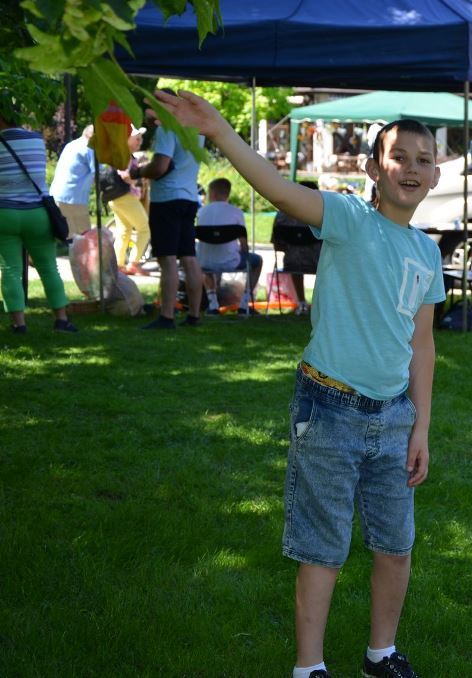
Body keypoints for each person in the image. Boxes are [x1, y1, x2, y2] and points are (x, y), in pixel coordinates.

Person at [154, 89, 442, 678]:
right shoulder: (349, 218)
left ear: (436, 175)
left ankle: (381, 655)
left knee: (396, 546)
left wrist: (421, 427)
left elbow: (423, 344)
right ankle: (309, 668)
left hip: (394, 417)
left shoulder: (427, 252)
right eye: (398, 156)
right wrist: (221, 132)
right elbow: (279, 190)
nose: (411, 168)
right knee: (323, 548)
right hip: (329, 409)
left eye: (423, 159)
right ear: (373, 169)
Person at [0, 115, 78, 333]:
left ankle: (18, 324)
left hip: (5, 213)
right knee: (48, 267)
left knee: (10, 270)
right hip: (37, 213)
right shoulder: (36, 140)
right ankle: (61, 320)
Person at [134, 114, 205, 329]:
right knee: (189, 257)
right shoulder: (196, 129)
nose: (147, 115)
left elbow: (160, 166)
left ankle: (166, 316)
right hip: (189, 197)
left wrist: (139, 171)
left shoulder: (167, 128)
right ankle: (194, 315)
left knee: (167, 259)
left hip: (167, 199)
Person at [195, 177, 263, 315]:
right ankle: (244, 303)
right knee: (257, 261)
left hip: (204, 262)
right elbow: (244, 246)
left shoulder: (201, 212)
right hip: (230, 261)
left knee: (208, 263)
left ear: (213, 193)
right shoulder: (237, 212)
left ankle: (213, 304)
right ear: (227, 193)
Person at [102, 125, 150, 276]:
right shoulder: (124, 155)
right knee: (144, 229)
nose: (140, 141)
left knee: (124, 231)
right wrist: (139, 177)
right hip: (125, 197)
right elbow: (126, 176)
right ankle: (134, 264)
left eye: (140, 138)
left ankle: (119, 265)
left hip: (115, 198)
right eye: (137, 138)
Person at [271, 180, 322, 315]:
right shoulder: (322, 214)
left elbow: (277, 245)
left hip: (291, 262)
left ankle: (301, 302)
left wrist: (295, 244)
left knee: (296, 261)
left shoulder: (282, 215)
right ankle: (321, 304)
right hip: (318, 263)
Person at [49, 124, 95, 236]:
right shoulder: (89, 148)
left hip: (57, 195)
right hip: (74, 199)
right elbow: (99, 173)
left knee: (67, 237)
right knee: (85, 238)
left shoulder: (71, 145)